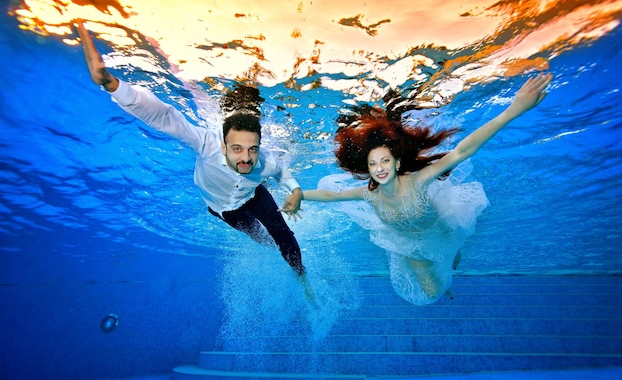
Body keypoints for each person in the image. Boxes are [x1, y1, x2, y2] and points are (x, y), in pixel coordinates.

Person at [75, 21, 308, 279]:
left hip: (255, 195)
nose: (246, 159)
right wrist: (112, 84)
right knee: (261, 238)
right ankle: (273, 251)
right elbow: (165, 117)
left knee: (282, 233)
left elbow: (282, 173)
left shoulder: (265, 161)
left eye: (253, 149)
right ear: (223, 145)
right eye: (237, 149)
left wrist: (296, 190)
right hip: (224, 210)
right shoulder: (206, 143)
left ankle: (302, 278)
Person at [302, 73, 553, 305]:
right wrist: (298, 195)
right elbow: (329, 195)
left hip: (442, 233)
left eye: (386, 161)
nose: (380, 168)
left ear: (397, 163)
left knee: (452, 259)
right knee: (432, 291)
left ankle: (449, 271)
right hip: (408, 245)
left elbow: (462, 151)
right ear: (367, 168)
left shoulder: (418, 181)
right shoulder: (368, 193)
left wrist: (514, 109)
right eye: (373, 164)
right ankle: (445, 286)